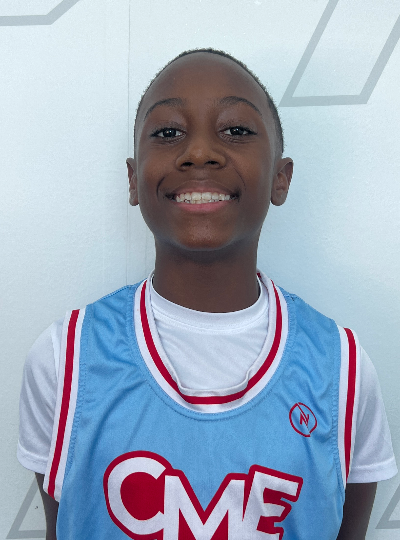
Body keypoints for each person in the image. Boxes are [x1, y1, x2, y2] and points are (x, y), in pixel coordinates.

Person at [18, 48, 397, 540]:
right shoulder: (65, 359)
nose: (199, 152)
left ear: (280, 177)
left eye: (235, 130)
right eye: (168, 133)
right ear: (133, 179)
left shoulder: (341, 369)